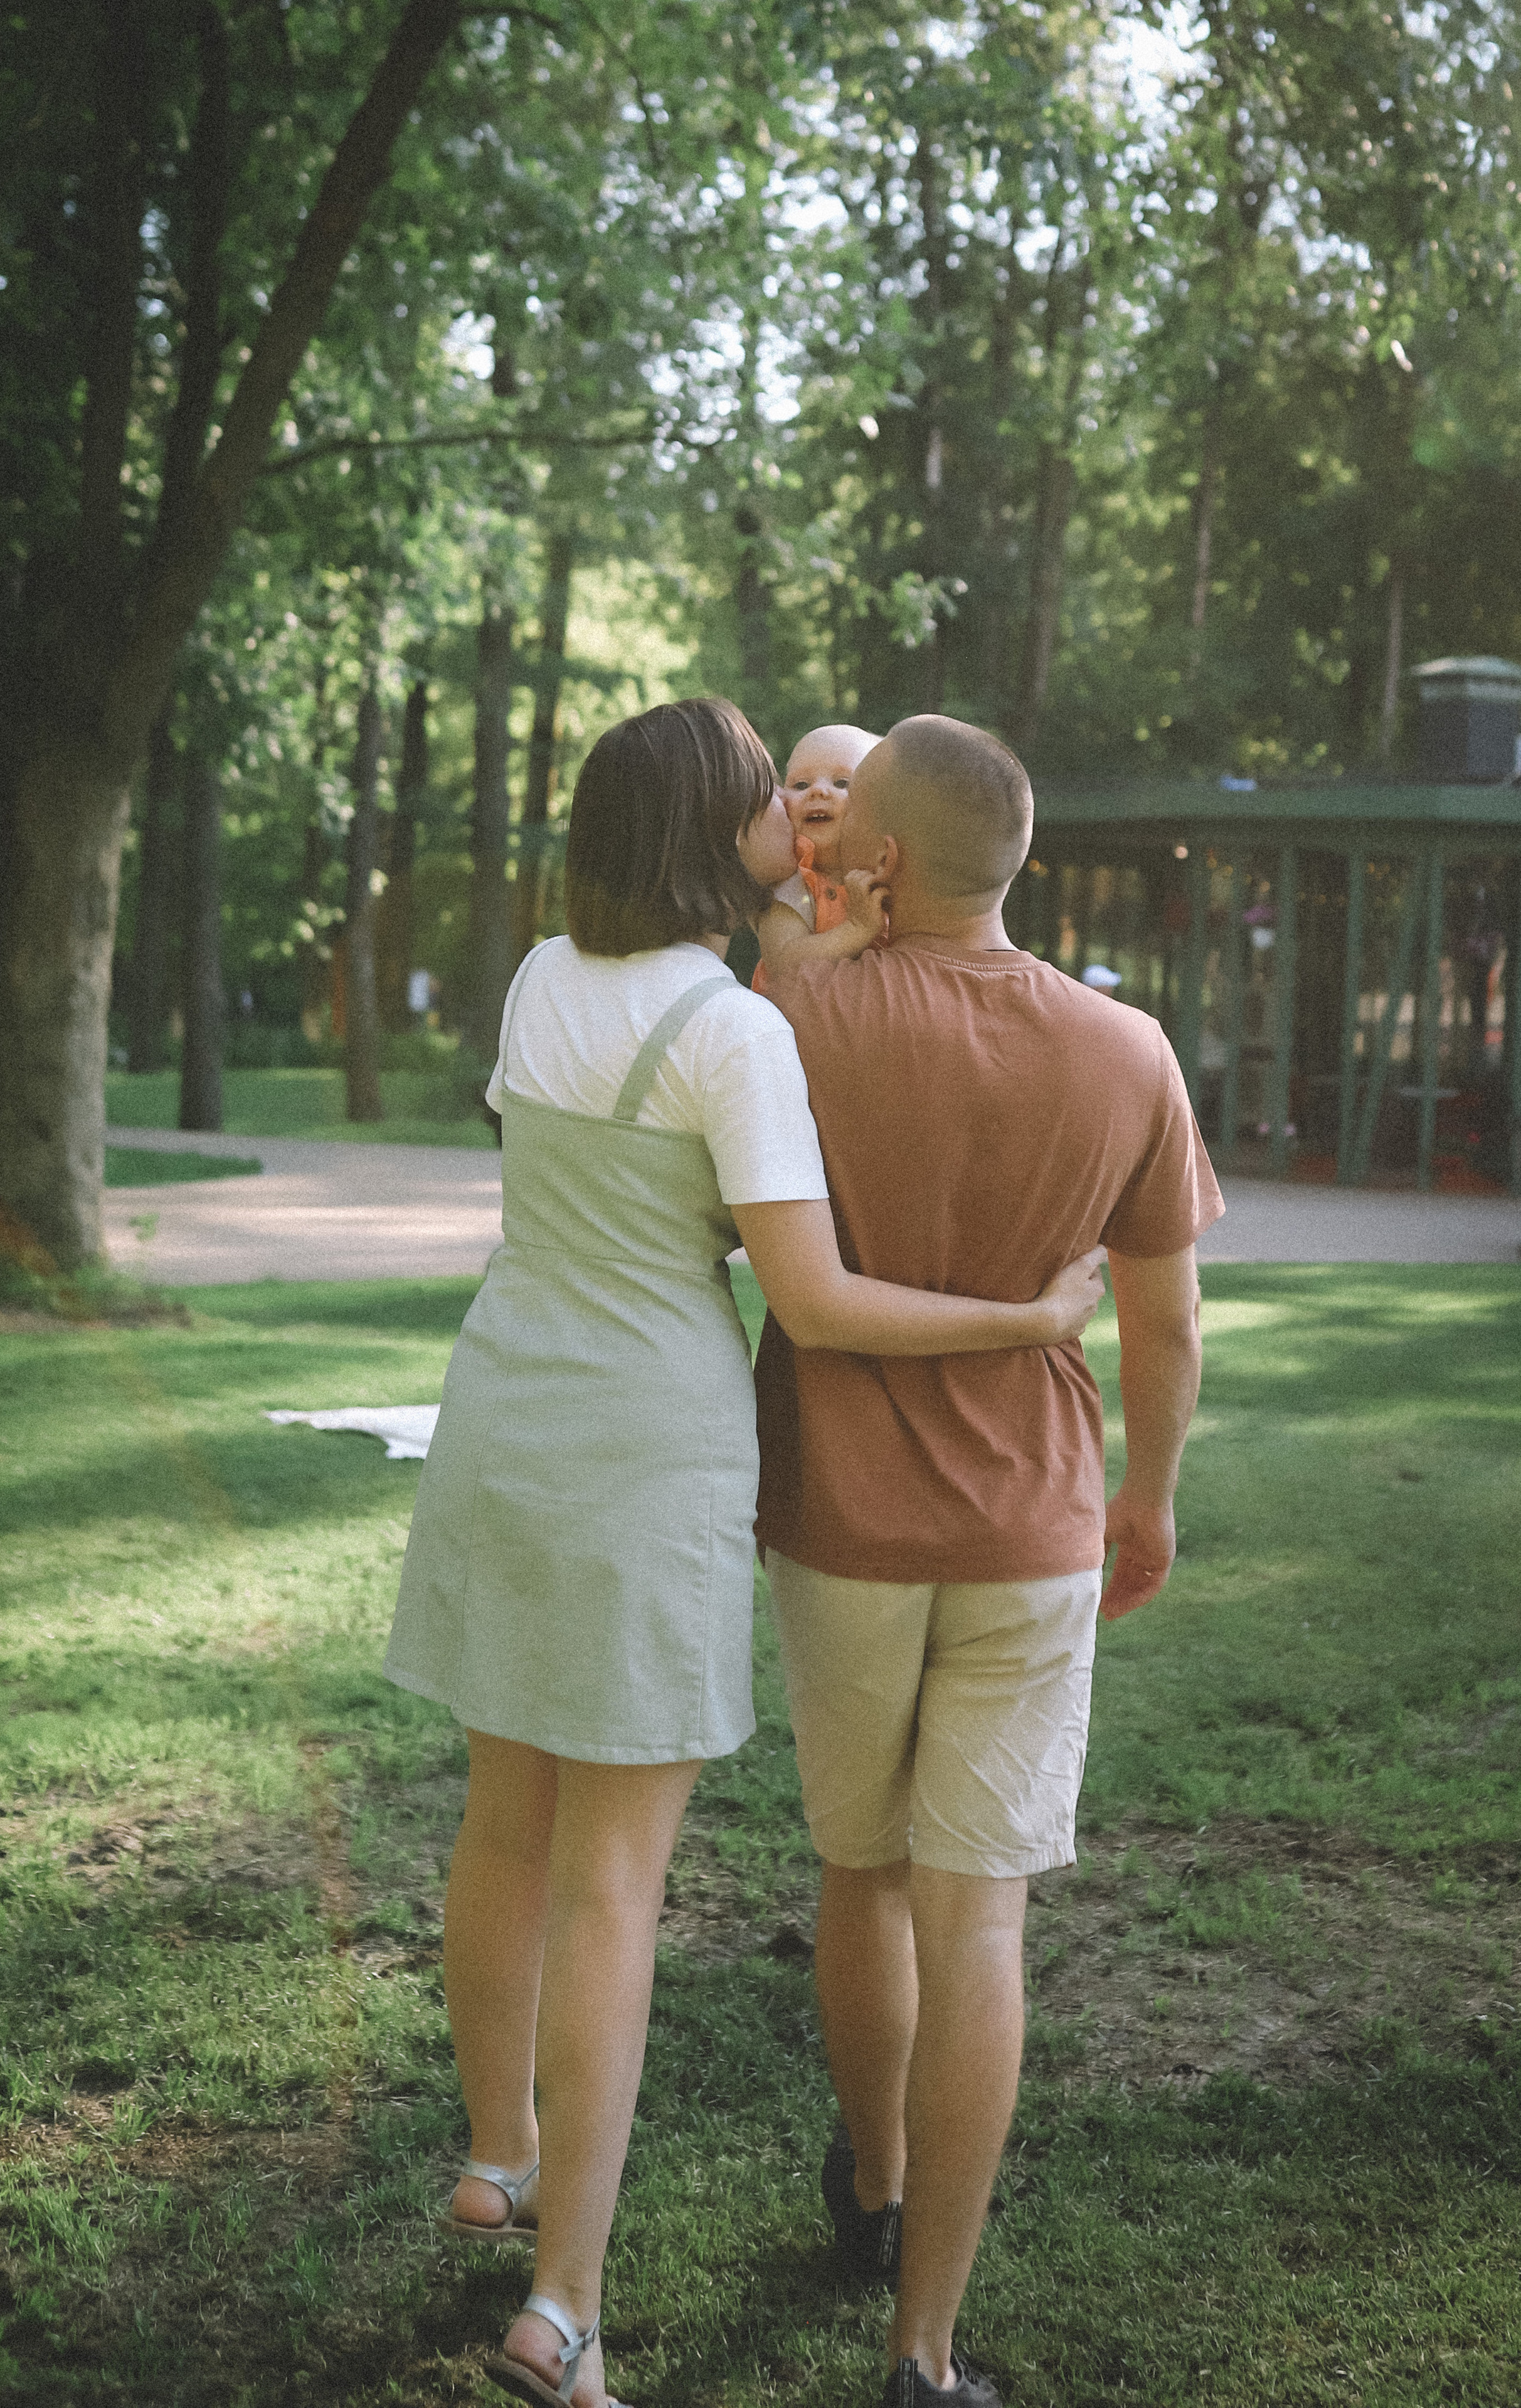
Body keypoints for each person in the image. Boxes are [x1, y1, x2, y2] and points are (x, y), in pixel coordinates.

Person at [381, 699, 1108, 2408]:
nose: (809, 822)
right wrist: (1027, 1314)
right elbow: (817, 1299)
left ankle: (501, 2153)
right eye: (775, 805)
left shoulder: (542, 978)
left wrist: (822, 946)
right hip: (643, 1452)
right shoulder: (735, 1034)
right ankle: (565, 2309)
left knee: (504, 1823)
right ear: (721, 837)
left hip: (502, 1420)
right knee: (612, 1882)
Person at [754, 714, 1224, 2408]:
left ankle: (869, 2189)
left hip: (840, 1528)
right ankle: (925, 2351)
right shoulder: (1129, 1049)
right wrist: (1148, 1502)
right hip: (1035, 1527)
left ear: (879, 858)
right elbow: (1164, 1322)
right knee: (981, 1924)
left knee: (860, 1876)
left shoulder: (795, 1016)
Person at [753, 723, 881, 990]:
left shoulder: (890, 874)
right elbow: (783, 965)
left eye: (842, 783)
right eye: (801, 784)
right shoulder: (788, 883)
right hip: (798, 1027)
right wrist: (856, 929)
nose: (818, 791)